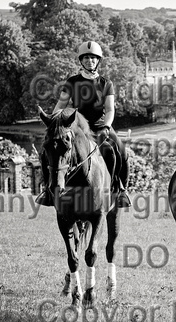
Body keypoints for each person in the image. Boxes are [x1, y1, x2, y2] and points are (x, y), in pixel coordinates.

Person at [36, 40, 130, 208]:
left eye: (93, 58)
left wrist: (107, 127)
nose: (89, 61)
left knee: (121, 151)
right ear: (81, 60)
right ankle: (47, 191)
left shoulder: (106, 83)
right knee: (47, 151)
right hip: (77, 127)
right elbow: (60, 105)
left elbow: (109, 110)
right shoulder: (72, 82)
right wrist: (54, 122)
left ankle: (120, 189)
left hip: (100, 125)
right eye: (86, 58)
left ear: (98, 60)